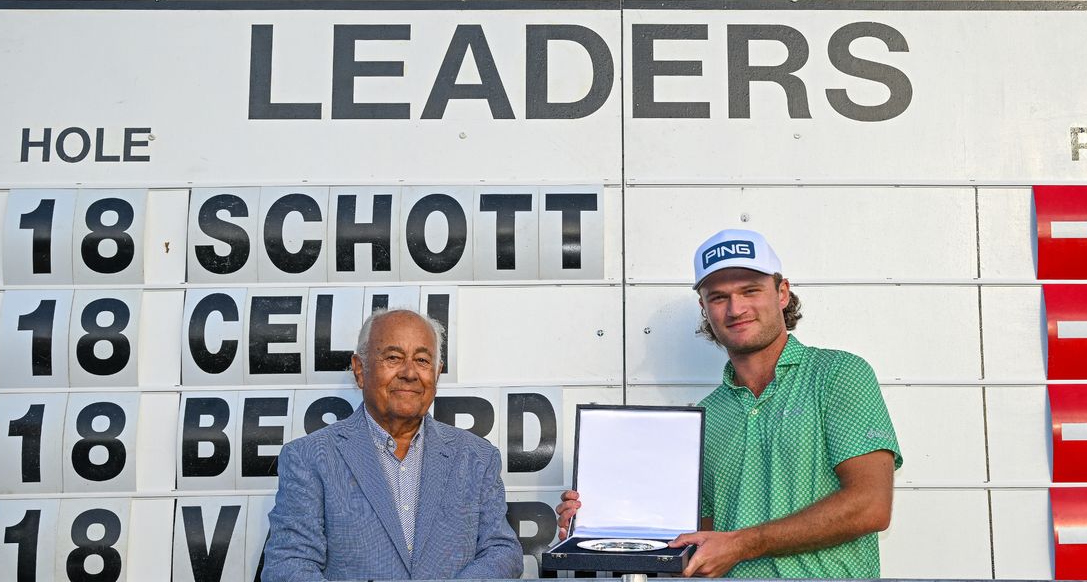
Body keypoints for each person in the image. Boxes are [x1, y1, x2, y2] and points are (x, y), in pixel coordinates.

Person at [557, 229, 902, 578]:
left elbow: (870, 506)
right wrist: (602, 523)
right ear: (704, 309)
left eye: (750, 290)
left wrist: (741, 543)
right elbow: (695, 541)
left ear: (782, 293)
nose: (736, 309)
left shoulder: (837, 374)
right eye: (719, 297)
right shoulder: (706, 416)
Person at [263, 308, 523, 581]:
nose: (410, 373)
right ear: (360, 369)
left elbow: (501, 550)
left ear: (437, 374)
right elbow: (288, 565)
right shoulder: (309, 457)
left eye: (422, 360)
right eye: (394, 358)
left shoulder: (478, 457)